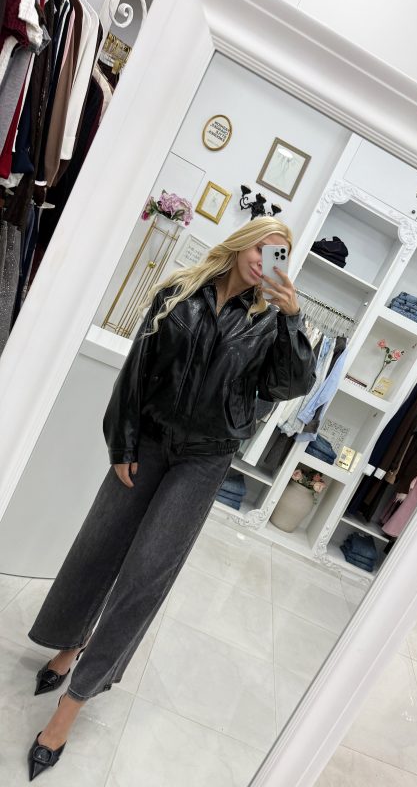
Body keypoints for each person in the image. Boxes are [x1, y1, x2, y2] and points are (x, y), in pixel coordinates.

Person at [25, 216, 317, 780]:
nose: (266, 259)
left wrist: (291, 318)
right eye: (262, 246)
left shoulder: (269, 321)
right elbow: (135, 372)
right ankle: (67, 644)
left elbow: (287, 386)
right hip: (150, 442)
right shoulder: (179, 292)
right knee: (97, 549)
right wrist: (122, 442)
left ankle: (73, 702)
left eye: (279, 253)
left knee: (145, 576)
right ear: (242, 244)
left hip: (205, 458)